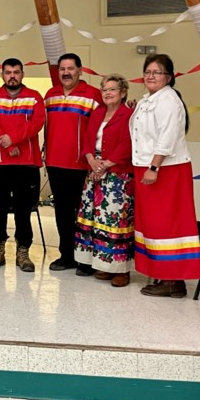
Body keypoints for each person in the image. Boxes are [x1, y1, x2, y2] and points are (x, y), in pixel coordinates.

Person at [130, 54, 200, 298]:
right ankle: (162, 273)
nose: (151, 76)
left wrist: (154, 167)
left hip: (165, 170)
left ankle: (174, 280)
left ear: (169, 77)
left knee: (168, 224)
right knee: (153, 225)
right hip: (147, 167)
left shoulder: (169, 100)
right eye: (147, 71)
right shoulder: (148, 99)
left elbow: (168, 136)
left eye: (157, 72)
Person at [0, 58, 46, 272]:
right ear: (2, 74)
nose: (12, 76)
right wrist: (8, 144)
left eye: (16, 72)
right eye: (8, 72)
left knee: (23, 211)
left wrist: (13, 139)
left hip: (26, 165)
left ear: (22, 74)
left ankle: (23, 252)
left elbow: (37, 123)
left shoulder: (34, 97)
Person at [44, 53, 103, 275]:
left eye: (70, 68)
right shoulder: (50, 95)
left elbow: (103, 128)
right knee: (62, 213)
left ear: (80, 70)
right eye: (62, 69)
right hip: (55, 164)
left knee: (85, 214)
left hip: (82, 166)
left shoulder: (93, 95)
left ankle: (86, 259)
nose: (66, 73)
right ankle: (67, 255)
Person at [76, 74, 135, 287]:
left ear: (123, 92)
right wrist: (92, 160)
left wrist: (106, 164)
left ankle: (121, 269)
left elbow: (128, 144)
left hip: (117, 176)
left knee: (116, 222)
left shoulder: (129, 115)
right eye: (104, 89)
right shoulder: (97, 113)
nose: (107, 93)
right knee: (97, 222)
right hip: (94, 174)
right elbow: (87, 139)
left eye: (112, 89)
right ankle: (103, 265)